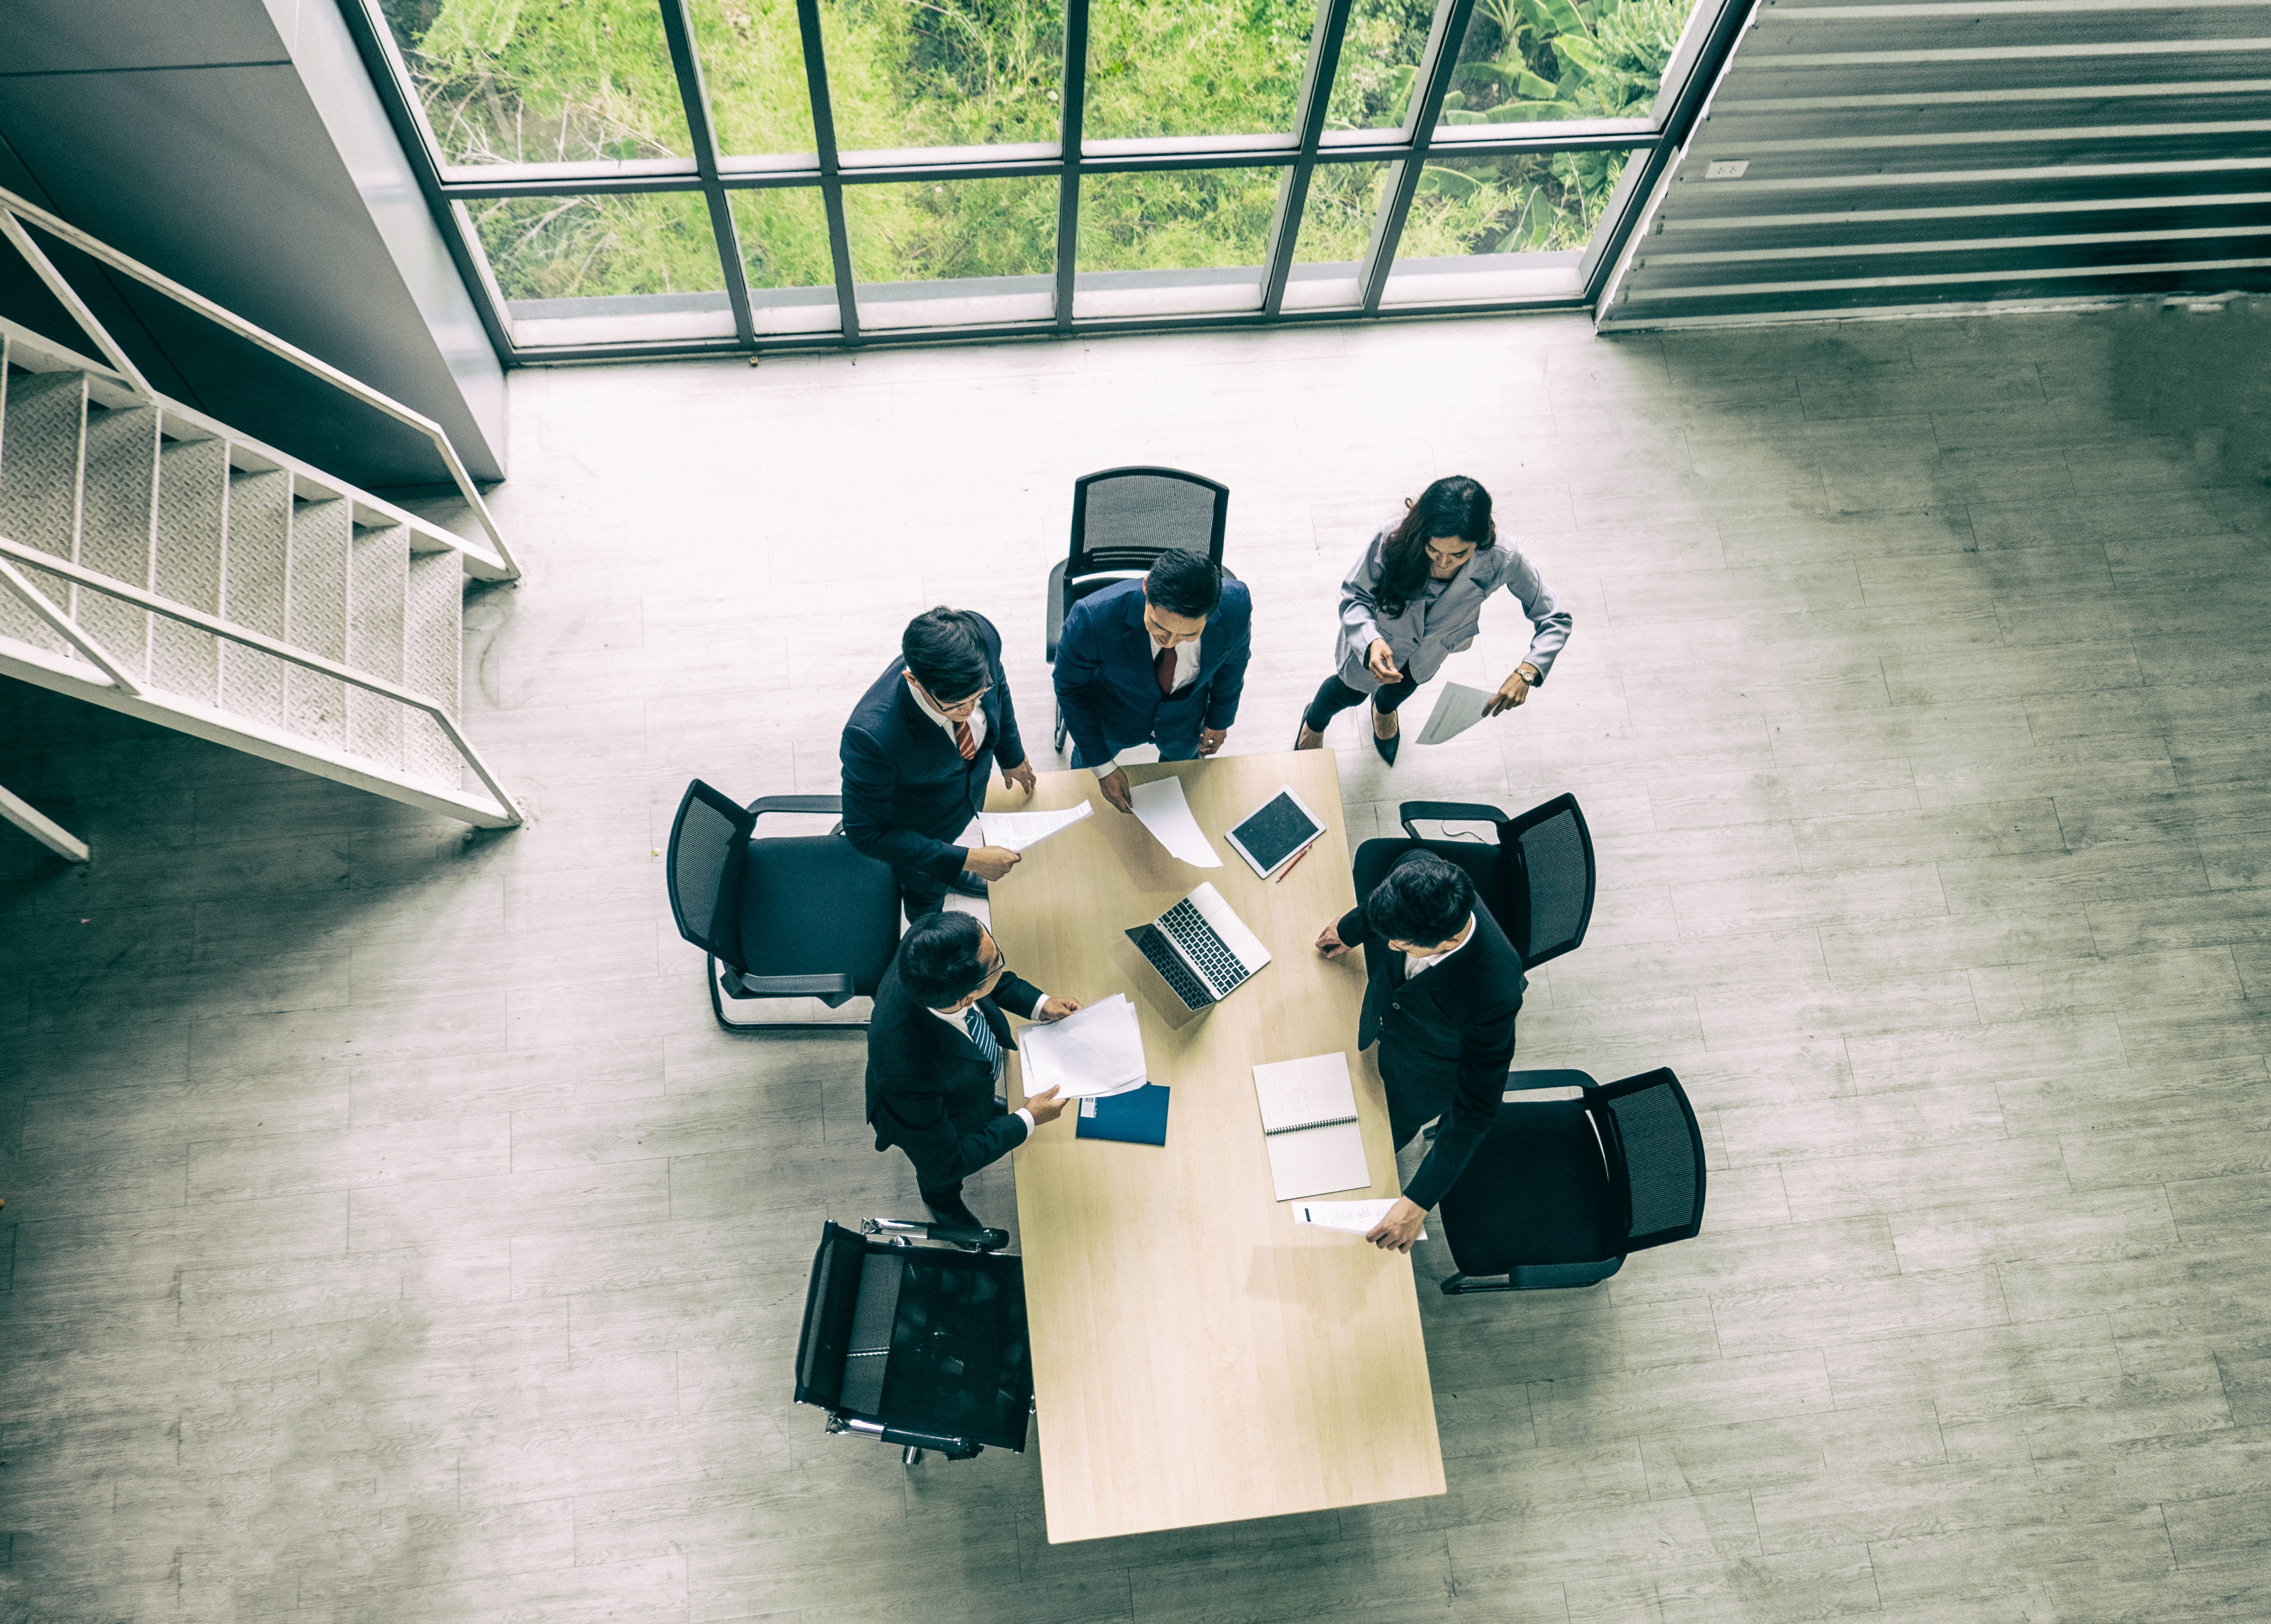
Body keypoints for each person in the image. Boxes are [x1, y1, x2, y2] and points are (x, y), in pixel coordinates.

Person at [1314, 851, 1524, 1253]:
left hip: (1422, 1077)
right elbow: (1382, 912)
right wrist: (1351, 928)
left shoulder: (1494, 993)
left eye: (1400, 943)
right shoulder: (1419, 868)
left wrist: (1418, 1200)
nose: (1389, 945)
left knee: (1373, 1147)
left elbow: (1478, 1108)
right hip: (1382, 1022)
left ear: (1447, 941)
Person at [1295, 475, 1571, 765]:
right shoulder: (1392, 538)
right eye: (1434, 550)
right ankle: (1313, 723)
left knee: (1400, 690)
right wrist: (1370, 640)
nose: (1443, 563)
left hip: (1430, 652)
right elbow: (1355, 595)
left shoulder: (1504, 557)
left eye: (1458, 554)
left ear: (1479, 542)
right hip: (1375, 644)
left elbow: (1556, 617)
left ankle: (1384, 710)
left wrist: (1528, 671)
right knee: (1347, 693)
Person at [866, 911, 1081, 1229]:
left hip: (962, 1080)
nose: (999, 957)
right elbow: (944, 1163)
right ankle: (942, 1205)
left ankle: (981, 1103)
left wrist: (1040, 1003)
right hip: (924, 1110)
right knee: (940, 1179)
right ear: (968, 997)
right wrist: (1028, 1118)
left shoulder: (928, 941)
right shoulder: (905, 1069)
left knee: (974, 1094)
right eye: (997, 960)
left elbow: (991, 979)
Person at [841, 606, 1037, 917]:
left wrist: (1011, 754)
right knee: (926, 891)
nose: (972, 710)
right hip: (921, 827)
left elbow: (999, 688)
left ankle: (952, 868)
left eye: (978, 694)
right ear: (914, 681)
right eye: (957, 704)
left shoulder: (981, 636)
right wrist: (968, 859)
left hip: (965, 794)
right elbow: (866, 833)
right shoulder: (871, 737)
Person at [1053, 548, 1253, 814]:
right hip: (1114, 716)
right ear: (1146, 587)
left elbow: (1233, 664)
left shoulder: (1236, 606)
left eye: (1188, 635)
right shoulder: (1092, 618)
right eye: (1160, 627)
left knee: (1183, 788)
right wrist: (1102, 767)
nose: (1169, 642)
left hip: (1186, 720)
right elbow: (1069, 689)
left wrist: (1220, 719)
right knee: (1087, 784)